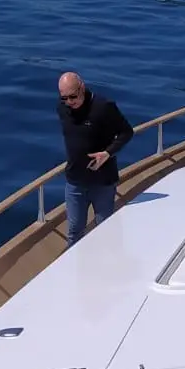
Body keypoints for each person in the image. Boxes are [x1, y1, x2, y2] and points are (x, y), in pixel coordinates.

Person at [57, 71, 135, 245]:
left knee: (104, 228)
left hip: (103, 181)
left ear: (82, 88)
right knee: (74, 231)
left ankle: (108, 259)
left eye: (73, 96)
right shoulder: (62, 108)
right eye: (64, 98)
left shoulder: (104, 107)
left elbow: (126, 132)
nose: (69, 102)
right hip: (75, 181)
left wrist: (107, 153)